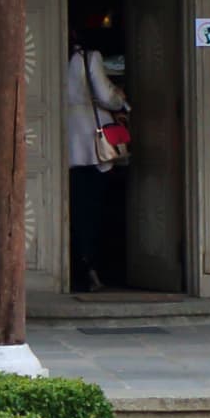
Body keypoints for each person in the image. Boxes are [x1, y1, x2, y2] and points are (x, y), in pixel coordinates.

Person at [62, 17, 129, 293]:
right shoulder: (89, 58)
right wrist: (122, 98)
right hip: (92, 144)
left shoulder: (49, 56)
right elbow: (106, 95)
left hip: (63, 140)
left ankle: (73, 267)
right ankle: (90, 267)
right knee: (92, 209)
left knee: (73, 208)